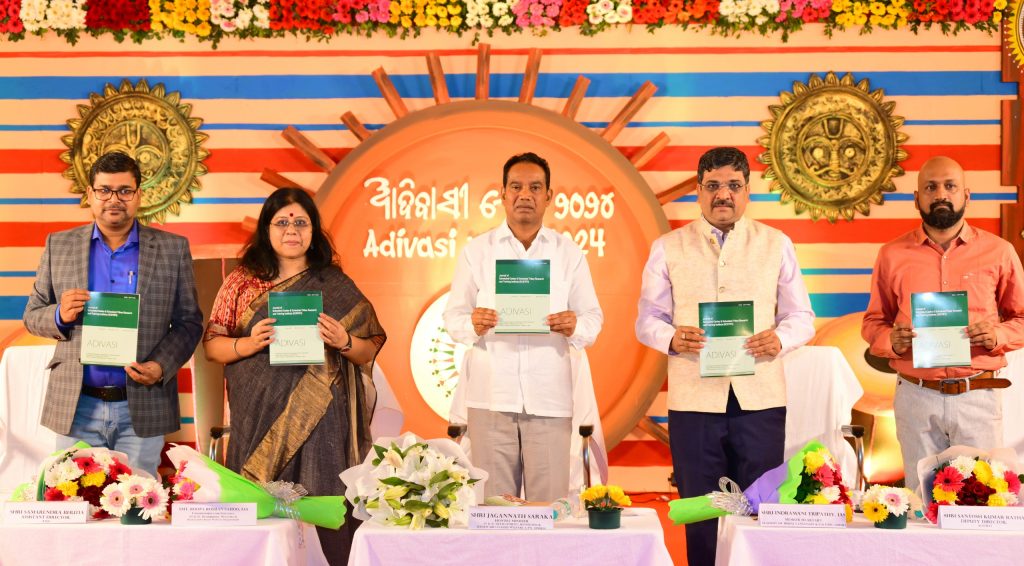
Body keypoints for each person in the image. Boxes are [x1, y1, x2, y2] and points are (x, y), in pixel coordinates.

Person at [635, 147, 814, 566]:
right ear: (698, 191)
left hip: (761, 400)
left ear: (747, 191)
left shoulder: (776, 244)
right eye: (713, 186)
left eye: (733, 186)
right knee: (702, 506)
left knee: (757, 509)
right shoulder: (668, 247)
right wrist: (673, 337)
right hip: (694, 400)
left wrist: (780, 339)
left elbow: (802, 317)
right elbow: (647, 320)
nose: (723, 195)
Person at [203, 187, 385, 565]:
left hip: (322, 418)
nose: (291, 230)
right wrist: (249, 344)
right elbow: (212, 346)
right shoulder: (241, 282)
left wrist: (345, 339)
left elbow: (368, 347)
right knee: (263, 511)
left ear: (314, 230)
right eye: (281, 222)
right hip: (259, 419)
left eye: (301, 222)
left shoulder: (334, 283)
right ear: (266, 230)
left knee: (328, 509)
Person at [23, 151, 203, 477]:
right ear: (89, 194)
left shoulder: (172, 249)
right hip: (76, 406)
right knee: (75, 506)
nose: (114, 199)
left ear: (138, 195)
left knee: (138, 507)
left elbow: (190, 322)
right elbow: (33, 315)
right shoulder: (59, 245)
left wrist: (161, 365)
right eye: (104, 190)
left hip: (142, 405)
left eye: (124, 190)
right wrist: (60, 314)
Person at [443, 152, 603, 502]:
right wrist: (473, 324)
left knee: (549, 511)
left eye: (535, 187)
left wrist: (574, 325)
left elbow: (592, 318)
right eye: (515, 186)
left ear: (549, 196)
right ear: (501, 194)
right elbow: (453, 319)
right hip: (490, 399)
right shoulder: (477, 251)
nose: (525, 194)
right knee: (494, 513)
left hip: (549, 398)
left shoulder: (568, 252)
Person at [862, 156, 1024, 493]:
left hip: (977, 393)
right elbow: (873, 322)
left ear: (967, 195)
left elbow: (1021, 319)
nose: (940, 194)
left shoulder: (1000, 252)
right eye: (930, 187)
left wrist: (998, 335)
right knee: (921, 502)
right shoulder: (892, 254)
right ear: (916, 198)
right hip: (916, 396)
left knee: (980, 501)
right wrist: (892, 341)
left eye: (950, 186)